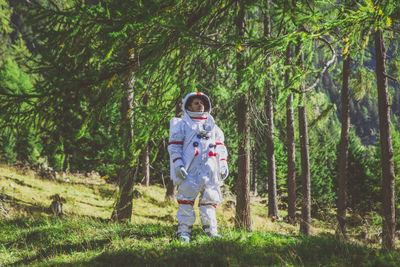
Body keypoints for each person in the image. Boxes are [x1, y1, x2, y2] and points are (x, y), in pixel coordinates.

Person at [168, 92, 229, 242]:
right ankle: (184, 232)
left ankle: (211, 231)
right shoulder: (182, 124)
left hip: (209, 171)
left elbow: (220, 148)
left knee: (209, 201)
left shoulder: (213, 127)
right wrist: (178, 165)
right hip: (189, 171)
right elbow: (175, 147)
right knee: (186, 201)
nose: (200, 105)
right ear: (188, 106)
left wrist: (223, 164)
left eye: (202, 103)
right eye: (196, 103)